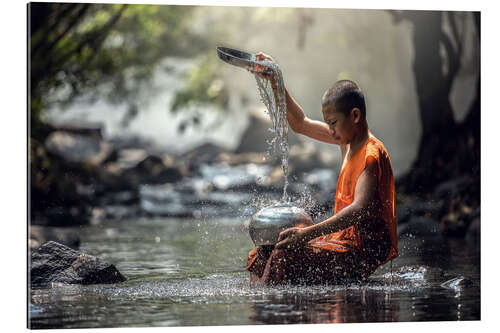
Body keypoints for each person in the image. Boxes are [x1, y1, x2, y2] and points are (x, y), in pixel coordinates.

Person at [246, 52, 398, 285]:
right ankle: (264, 307)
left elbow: (359, 209)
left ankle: (275, 311)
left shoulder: (371, 155)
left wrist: (307, 233)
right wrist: (276, 81)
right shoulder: (346, 139)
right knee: (261, 253)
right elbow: (300, 124)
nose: (331, 131)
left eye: (333, 123)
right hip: (340, 240)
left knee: (281, 256)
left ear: (355, 116)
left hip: (361, 251)